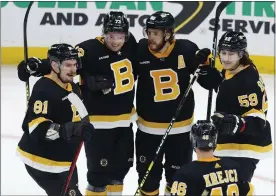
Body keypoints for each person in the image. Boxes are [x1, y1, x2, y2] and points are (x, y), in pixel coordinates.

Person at [17, 11, 137, 196]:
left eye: (120, 36)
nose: (115, 41)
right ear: (104, 32)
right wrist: (38, 66)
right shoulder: (87, 49)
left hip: (124, 122)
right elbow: (64, 61)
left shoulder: (132, 45)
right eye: (111, 36)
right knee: (98, 176)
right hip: (98, 124)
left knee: (119, 172)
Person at [134, 11, 211, 195]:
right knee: (147, 181)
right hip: (148, 130)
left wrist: (206, 65)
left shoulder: (186, 49)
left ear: (168, 34)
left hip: (180, 130)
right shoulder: (139, 50)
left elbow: (211, 83)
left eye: (156, 33)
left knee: (178, 181)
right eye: (149, 32)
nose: (150, 37)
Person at [16, 43, 94, 196]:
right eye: (67, 65)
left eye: (75, 64)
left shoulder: (71, 86)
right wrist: (70, 129)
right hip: (43, 161)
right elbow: (36, 128)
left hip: (63, 157)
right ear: (54, 65)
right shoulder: (44, 89)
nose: (73, 70)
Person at [197, 31, 273, 182]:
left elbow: (258, 122)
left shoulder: (247, 81)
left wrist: (236, 123)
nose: (225, 58)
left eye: (231, 54)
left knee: (234, 188)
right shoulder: (238, 68)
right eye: (223, 53)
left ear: (241, 54)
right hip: (232, 140)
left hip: (244, 146)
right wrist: (206, 69)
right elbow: (226, 89)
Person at [171, 120, 255, 196]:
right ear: (215, 141)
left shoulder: (185, 174)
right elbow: (250, 191)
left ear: (193, 141)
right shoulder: (235, 167)